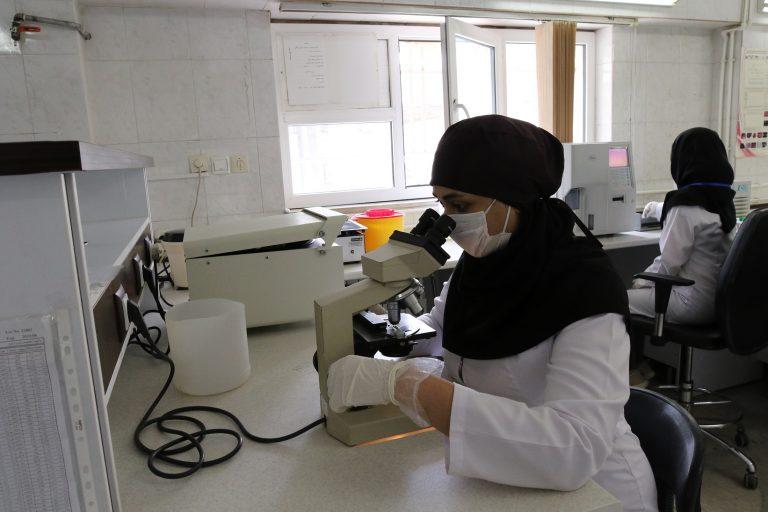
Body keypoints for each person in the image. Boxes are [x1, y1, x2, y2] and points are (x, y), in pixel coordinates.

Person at [327, 116, 658, 512]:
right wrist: (384, 336)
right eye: (442, 203)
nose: (449, 220)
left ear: (512, 197)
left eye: (461, 205)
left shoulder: (584, 289)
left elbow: (574, 448)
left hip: (598, 493)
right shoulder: (480, 267)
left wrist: (409, 387)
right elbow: (435, 337)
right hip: (506, 485)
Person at [630, 127, 736, 324]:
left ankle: (634, 355)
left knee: (616, 301)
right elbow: (697, 218)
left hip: (690, 302)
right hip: (722, 303)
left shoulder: (684, 206)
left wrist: (640, 281)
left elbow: (668, 264)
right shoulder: (723, 200)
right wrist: (656, 208)